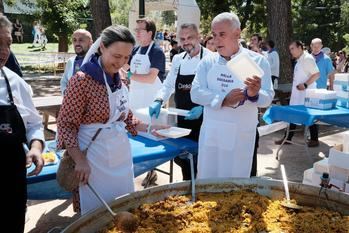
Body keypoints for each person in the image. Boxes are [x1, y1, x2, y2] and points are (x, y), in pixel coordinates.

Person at [57, 25, 167, 215]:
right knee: (97, 212)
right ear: (102, 48)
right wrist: (79, 160)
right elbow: (66, 124)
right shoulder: (82, 81)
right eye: (117, 56)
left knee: (123, 204)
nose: (121, 63)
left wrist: (150, 128)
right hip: (92, 158)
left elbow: (126, 117)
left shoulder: (121, 79)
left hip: (120, 154)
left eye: (126, 58)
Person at [190, 12, 274, 179]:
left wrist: (254, 94)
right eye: (214, 35)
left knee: (236, 184)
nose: (216, 40)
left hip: (240, 135)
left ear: (237, 33)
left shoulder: (257, 61)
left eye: (222, 34)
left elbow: (268, 98)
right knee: (208, 179)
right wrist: (223, 99)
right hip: (212, 132)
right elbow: (195, 93)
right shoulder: (208, 62)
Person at [149, 23, 212, 180]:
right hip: (183, 119)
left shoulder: (211, 58)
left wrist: (204, 108)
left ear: (198, 37)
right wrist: (158, 100)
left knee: (203, 163)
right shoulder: (178, 59)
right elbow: (169, 85)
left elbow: (217, 92)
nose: (186, 42)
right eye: (182, 39)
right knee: (185, 161)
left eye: (190, 37)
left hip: (205, 121)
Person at [0, 14, 44, 233]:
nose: (4, 50)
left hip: (11, 178)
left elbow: (34, 123)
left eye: (7, 43)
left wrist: (36, 147)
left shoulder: (15, 83)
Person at [274, 41, 320, 147]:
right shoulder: (299, 60)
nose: (291, 51)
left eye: (292, 48)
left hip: (306, 94)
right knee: (293, 115)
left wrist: (305, 84)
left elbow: (316, 74)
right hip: (298, 95)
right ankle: (288, 138)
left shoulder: (307, 58)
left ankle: (314, 139)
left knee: (309, 116)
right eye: (290, 49)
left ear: (300, 47)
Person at [126, 18, 166, 111]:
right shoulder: (135, 50)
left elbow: (150, 78)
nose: (137, 32)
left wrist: (129, 75)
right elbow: (125, 68)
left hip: (151, 102)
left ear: (150, 33)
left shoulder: (156, 51)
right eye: (136, 30)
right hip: (134, 99)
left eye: (140, 30)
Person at [60, 29, 93, 95]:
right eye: (74, 40)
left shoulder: (97, 61)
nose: (77, 43)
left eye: (81, 40)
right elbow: (64, 81)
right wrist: (66, 94)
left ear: (90, 42)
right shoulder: (70, 61)